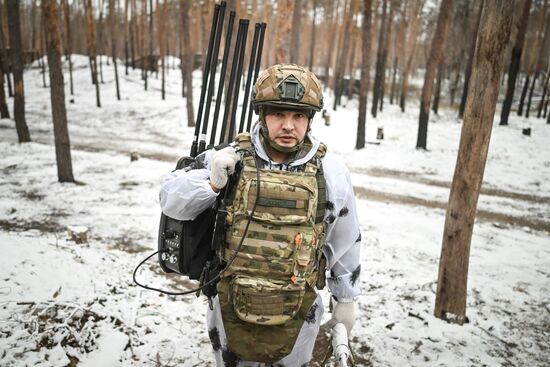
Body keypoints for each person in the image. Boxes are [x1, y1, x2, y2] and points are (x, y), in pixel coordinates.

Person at [159, 64, 361, 366]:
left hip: (299, 311)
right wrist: (212, 183)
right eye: (278, 114)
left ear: (310, 119)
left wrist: (345, 299)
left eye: (298, 116)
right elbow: (170, 201)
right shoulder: (228, 158)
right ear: (262, 115)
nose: (289, 126)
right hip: (229, 308)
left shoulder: (330, 173)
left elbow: (345, 241)